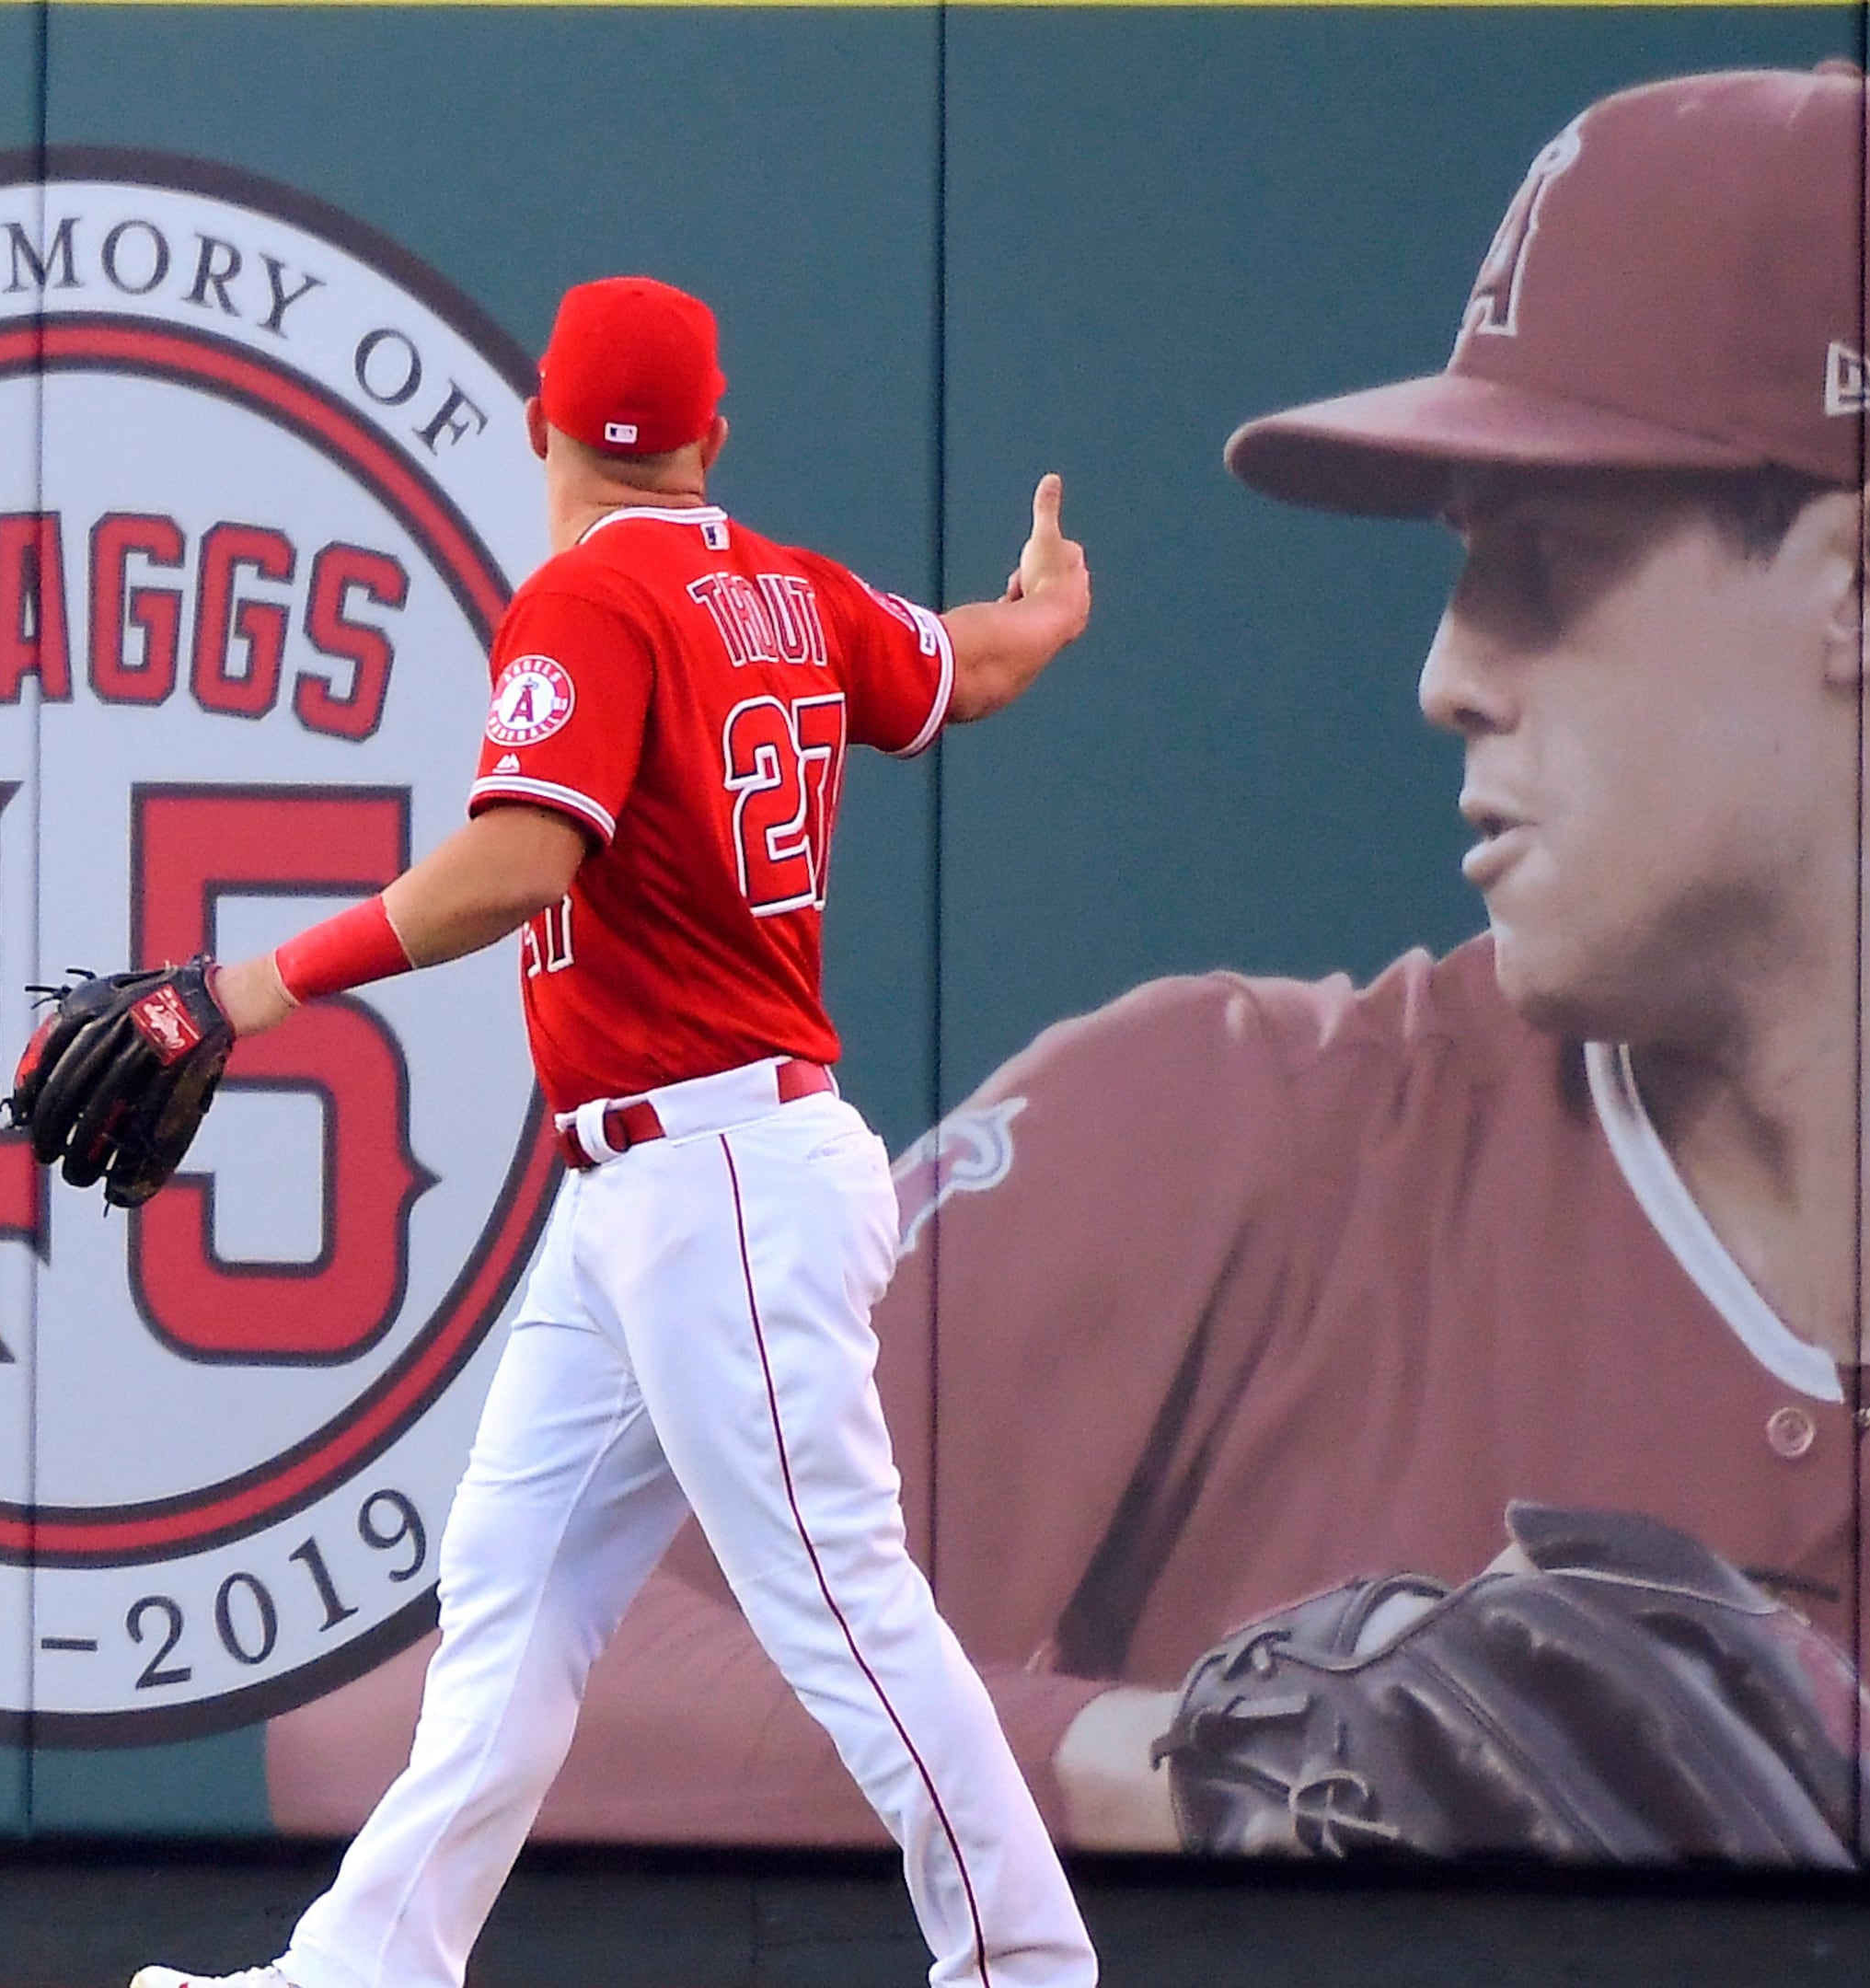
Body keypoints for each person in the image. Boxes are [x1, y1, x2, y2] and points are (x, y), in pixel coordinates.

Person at [269, 68, 1870, 1881]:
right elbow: (385, 1731)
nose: (1444, 674)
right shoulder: (1222, 1139)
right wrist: (1181, 1760)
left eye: (1538, 558)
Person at [148, 275, 1101, 1988]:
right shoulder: (786, 593)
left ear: (541, 426)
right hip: (660, 1193)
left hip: (717, 1182)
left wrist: (250, 989)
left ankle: (1030, 1973)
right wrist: (1047, 609)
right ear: (713, 436)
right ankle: (354, 1978)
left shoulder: (589, 601)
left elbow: (519, 864)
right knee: (510, 1599)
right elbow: (973, 667)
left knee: (845, 1610)